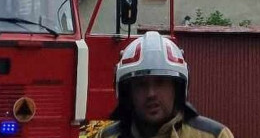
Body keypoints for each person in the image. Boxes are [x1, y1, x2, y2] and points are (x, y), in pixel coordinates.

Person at [94, 31, 232, 138]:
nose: (151, 94)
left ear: (176, 88)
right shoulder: (107, 136)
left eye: (160, 82)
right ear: (128, 92)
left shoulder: (214, 135)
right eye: (141, 85)